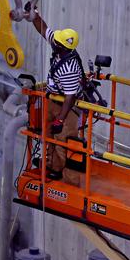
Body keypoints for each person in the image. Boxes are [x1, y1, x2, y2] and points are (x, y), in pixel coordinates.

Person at [26, 12, 85, 179]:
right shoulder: (61, 46)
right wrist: (34, 14)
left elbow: (70, 97)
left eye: (56, 42)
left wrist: (60, 119)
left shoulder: (69, 70)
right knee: (50, 135)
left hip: (66, 107)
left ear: (62, 47)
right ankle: (53, 165)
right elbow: (44, 29)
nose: (53, 42)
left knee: (63, 140)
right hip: (53, 99)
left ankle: (67, 176)